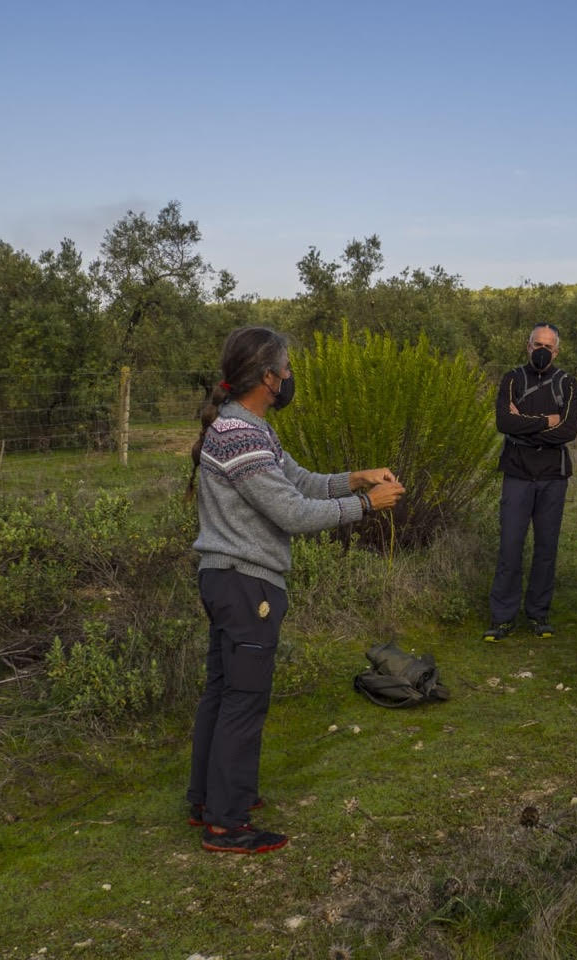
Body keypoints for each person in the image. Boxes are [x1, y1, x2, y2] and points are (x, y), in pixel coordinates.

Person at [186, 326, 405, 854]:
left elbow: (300, 482)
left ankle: (210, 799)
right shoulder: (241, 433)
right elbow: (292, 512)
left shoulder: (252, 428)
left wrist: (355, 477)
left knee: (223, 692)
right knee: (244, 699)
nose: (289, 379)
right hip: (245, 583)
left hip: (230, 578)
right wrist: (366, 506)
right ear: (267, 377)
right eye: (285, 370)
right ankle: (227, 823)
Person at [483, 323, 577, 642]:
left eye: (548, 347)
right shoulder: (512, 378)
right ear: (527, 346)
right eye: (537, 344)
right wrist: (545, 421)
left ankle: (539, 613)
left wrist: (522, 425)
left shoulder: (567, 382)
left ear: (557, 351)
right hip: (517, 472)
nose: (542, 350)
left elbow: (568, 431)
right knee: (510, 545)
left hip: (553, 474)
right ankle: (502, 616)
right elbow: (503, 422)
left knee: (546, 547)